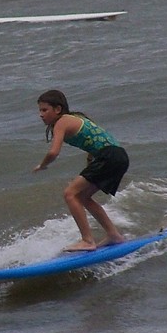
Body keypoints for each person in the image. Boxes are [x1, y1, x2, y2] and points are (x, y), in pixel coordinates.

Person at [33, 89, 129, 251]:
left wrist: (42, 165)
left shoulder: (62, 122)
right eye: (39, 110)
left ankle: (87, 240)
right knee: (82, 196)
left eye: (44, 110)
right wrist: (90, 164)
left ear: (57, 109)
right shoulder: (75, 118)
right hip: (117, 156)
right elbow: (93, 140)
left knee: (70, 194)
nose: (41, 115)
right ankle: (114, 236)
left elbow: (53, 152)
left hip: (109, 156)